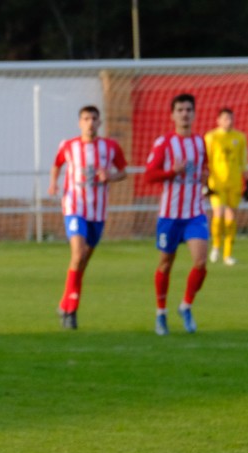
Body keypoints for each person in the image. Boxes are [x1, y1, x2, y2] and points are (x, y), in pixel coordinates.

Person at [47, 105, 127, 330]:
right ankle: (71, 311)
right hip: (74, 207)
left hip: (97, 212)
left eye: (93, 118)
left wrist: (110, 176)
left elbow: (123, 171)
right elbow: (56, 164)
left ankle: (65, 303)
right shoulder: (69, 146)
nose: (90, 122)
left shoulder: (110, 147)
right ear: (79, 123)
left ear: (99, 122)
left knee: (82, 262)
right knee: (78, 254)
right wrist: (53, 183)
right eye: (85, 118)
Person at [144, 93, 209, 335]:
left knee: (201, 262)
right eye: (180, 110)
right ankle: (161, 313)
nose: (184, 114)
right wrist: (172, 172)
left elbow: (205, 169)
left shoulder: (200, 142)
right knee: (165, 264)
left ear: (194, 113)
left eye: (188, 110)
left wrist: (206, 178)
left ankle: (186, 306)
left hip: (195, 213)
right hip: (170, 216)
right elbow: (149, 175)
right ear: (172, 115)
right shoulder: (164, 143)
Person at [204, 108, 248, 266]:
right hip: (216, 182)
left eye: (231, 118)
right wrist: (205, 182)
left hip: (235, 182)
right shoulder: (211, 137)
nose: (228, 122)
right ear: (218, 120)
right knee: (218, 213)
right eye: (225, 119)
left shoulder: (240, 137)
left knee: (231, 218)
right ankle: (216, 246)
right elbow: (207, 160)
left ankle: (228, 255)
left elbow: (243, 161)